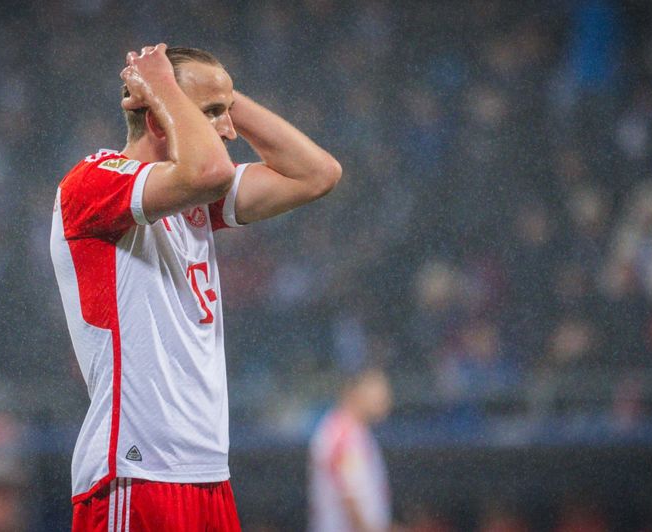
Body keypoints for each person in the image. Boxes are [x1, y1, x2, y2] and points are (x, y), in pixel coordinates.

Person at [51, 43, 341, 531]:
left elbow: (318, 174)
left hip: (206, 471)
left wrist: (220, 95)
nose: (230, 130)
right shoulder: (93, 183)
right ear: (159, 114)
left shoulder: (195, 199)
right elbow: (209, 171)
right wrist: (165, 88)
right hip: (135, 471)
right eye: (212, 114)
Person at [308, 367, 394, 532]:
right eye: (376, 390)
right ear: (354, 392)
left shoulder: (357, 432)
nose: (385, 397)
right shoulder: (342, 433)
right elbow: (348, 497)